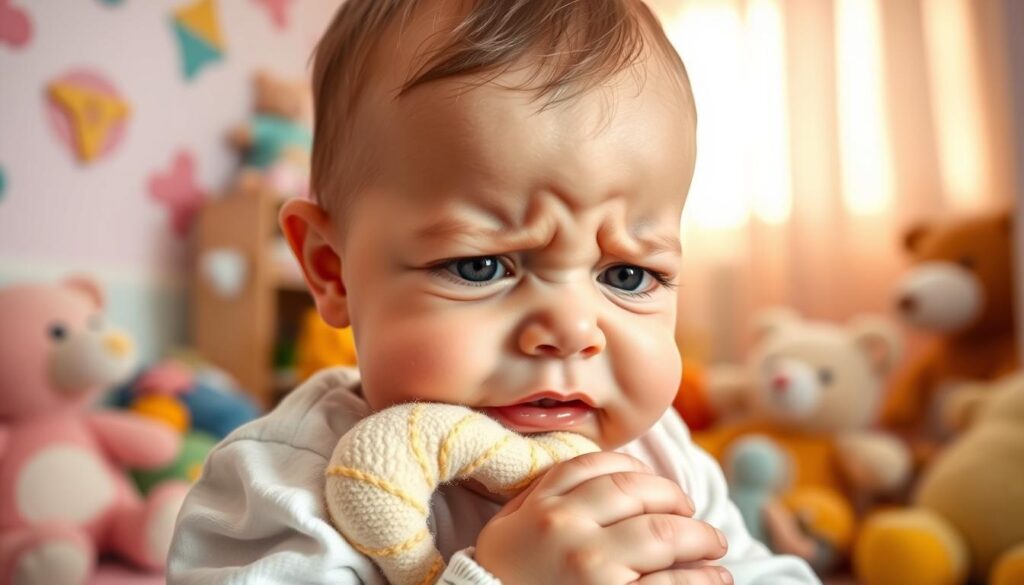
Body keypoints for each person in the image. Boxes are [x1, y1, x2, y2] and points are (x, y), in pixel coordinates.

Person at [168, 0, 821, 583]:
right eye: (481, 266)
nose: (571, 329)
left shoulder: (659, 453)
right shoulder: (282, 485)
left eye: (627, 275)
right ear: (331, 268)